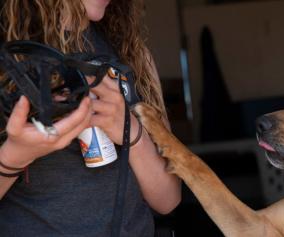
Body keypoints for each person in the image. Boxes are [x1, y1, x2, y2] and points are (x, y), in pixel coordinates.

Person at [0, 0, 181, 236]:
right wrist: (15, 155)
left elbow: (168, 200)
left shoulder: (134, 54)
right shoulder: (10, 58)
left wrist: (129, 128)